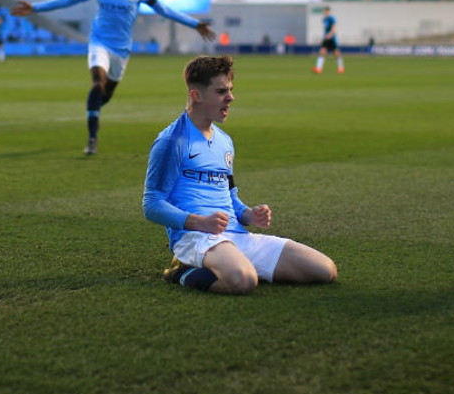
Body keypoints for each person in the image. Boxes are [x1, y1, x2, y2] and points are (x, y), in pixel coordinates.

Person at [143, 55, 337, 294]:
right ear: (197, 95)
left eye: (231, 90)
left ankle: (232, 264)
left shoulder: (225, 142)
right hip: (196, 237)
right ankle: (181, 270)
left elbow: (230, 196)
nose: (230, 98)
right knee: (243, 281)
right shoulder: (172, 141)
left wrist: (249, 215)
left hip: (237, 236)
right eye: (221, 91)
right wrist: (199, 222)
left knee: (324, 270)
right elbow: (152, 204)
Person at [11, 0, 215, 155]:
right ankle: (92, 139)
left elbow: (163, 9)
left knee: (104, 96)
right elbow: (69, 0)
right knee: (97, 84)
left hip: (122, 50)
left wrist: (194, 24)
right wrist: (35, 7)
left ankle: (94, 108)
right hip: (99, 43)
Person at [313, 6, 344, 74]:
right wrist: (325, 37)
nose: (324, 12)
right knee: (322, 51)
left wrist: (330, 34)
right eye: (324, 11)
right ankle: (318, 68)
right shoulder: (324, 19)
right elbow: (325, 29)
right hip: (326, 38)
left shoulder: (331, 18)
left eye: (325, 11)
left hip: (332, 38)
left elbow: (334, 27)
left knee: (336, 53)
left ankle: (341, 68)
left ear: (328, 11)